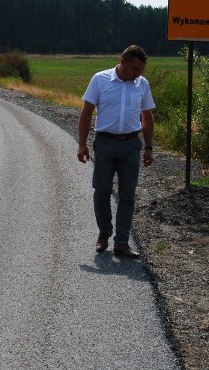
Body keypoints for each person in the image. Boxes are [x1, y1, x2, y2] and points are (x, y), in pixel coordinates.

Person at [77, 45, 155, 259]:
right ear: (122, 62)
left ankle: (121, 243)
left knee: (127, 196)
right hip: (105, 144)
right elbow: (86, 113)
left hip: (131, 146)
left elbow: (147, 117)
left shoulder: (142, 84)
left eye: (141, 70)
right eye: (135, 69)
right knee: (101, 192)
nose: (138, 74)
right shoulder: (100, 80)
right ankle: (104, 232)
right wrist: (82, 144)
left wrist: (148, 147)